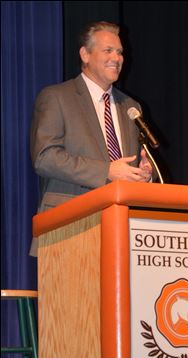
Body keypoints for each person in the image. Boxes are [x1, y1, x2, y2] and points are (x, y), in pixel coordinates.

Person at [30, 21, 154, 217]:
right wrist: (106, 171)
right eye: (108, 50)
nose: (117, 58)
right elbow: (45, 158)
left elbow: (132, 165)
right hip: (70, 220)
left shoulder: (130, 106)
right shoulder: (57, 97)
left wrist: (144, 174)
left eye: (120, 52)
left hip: (120, 221)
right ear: (85, 55)